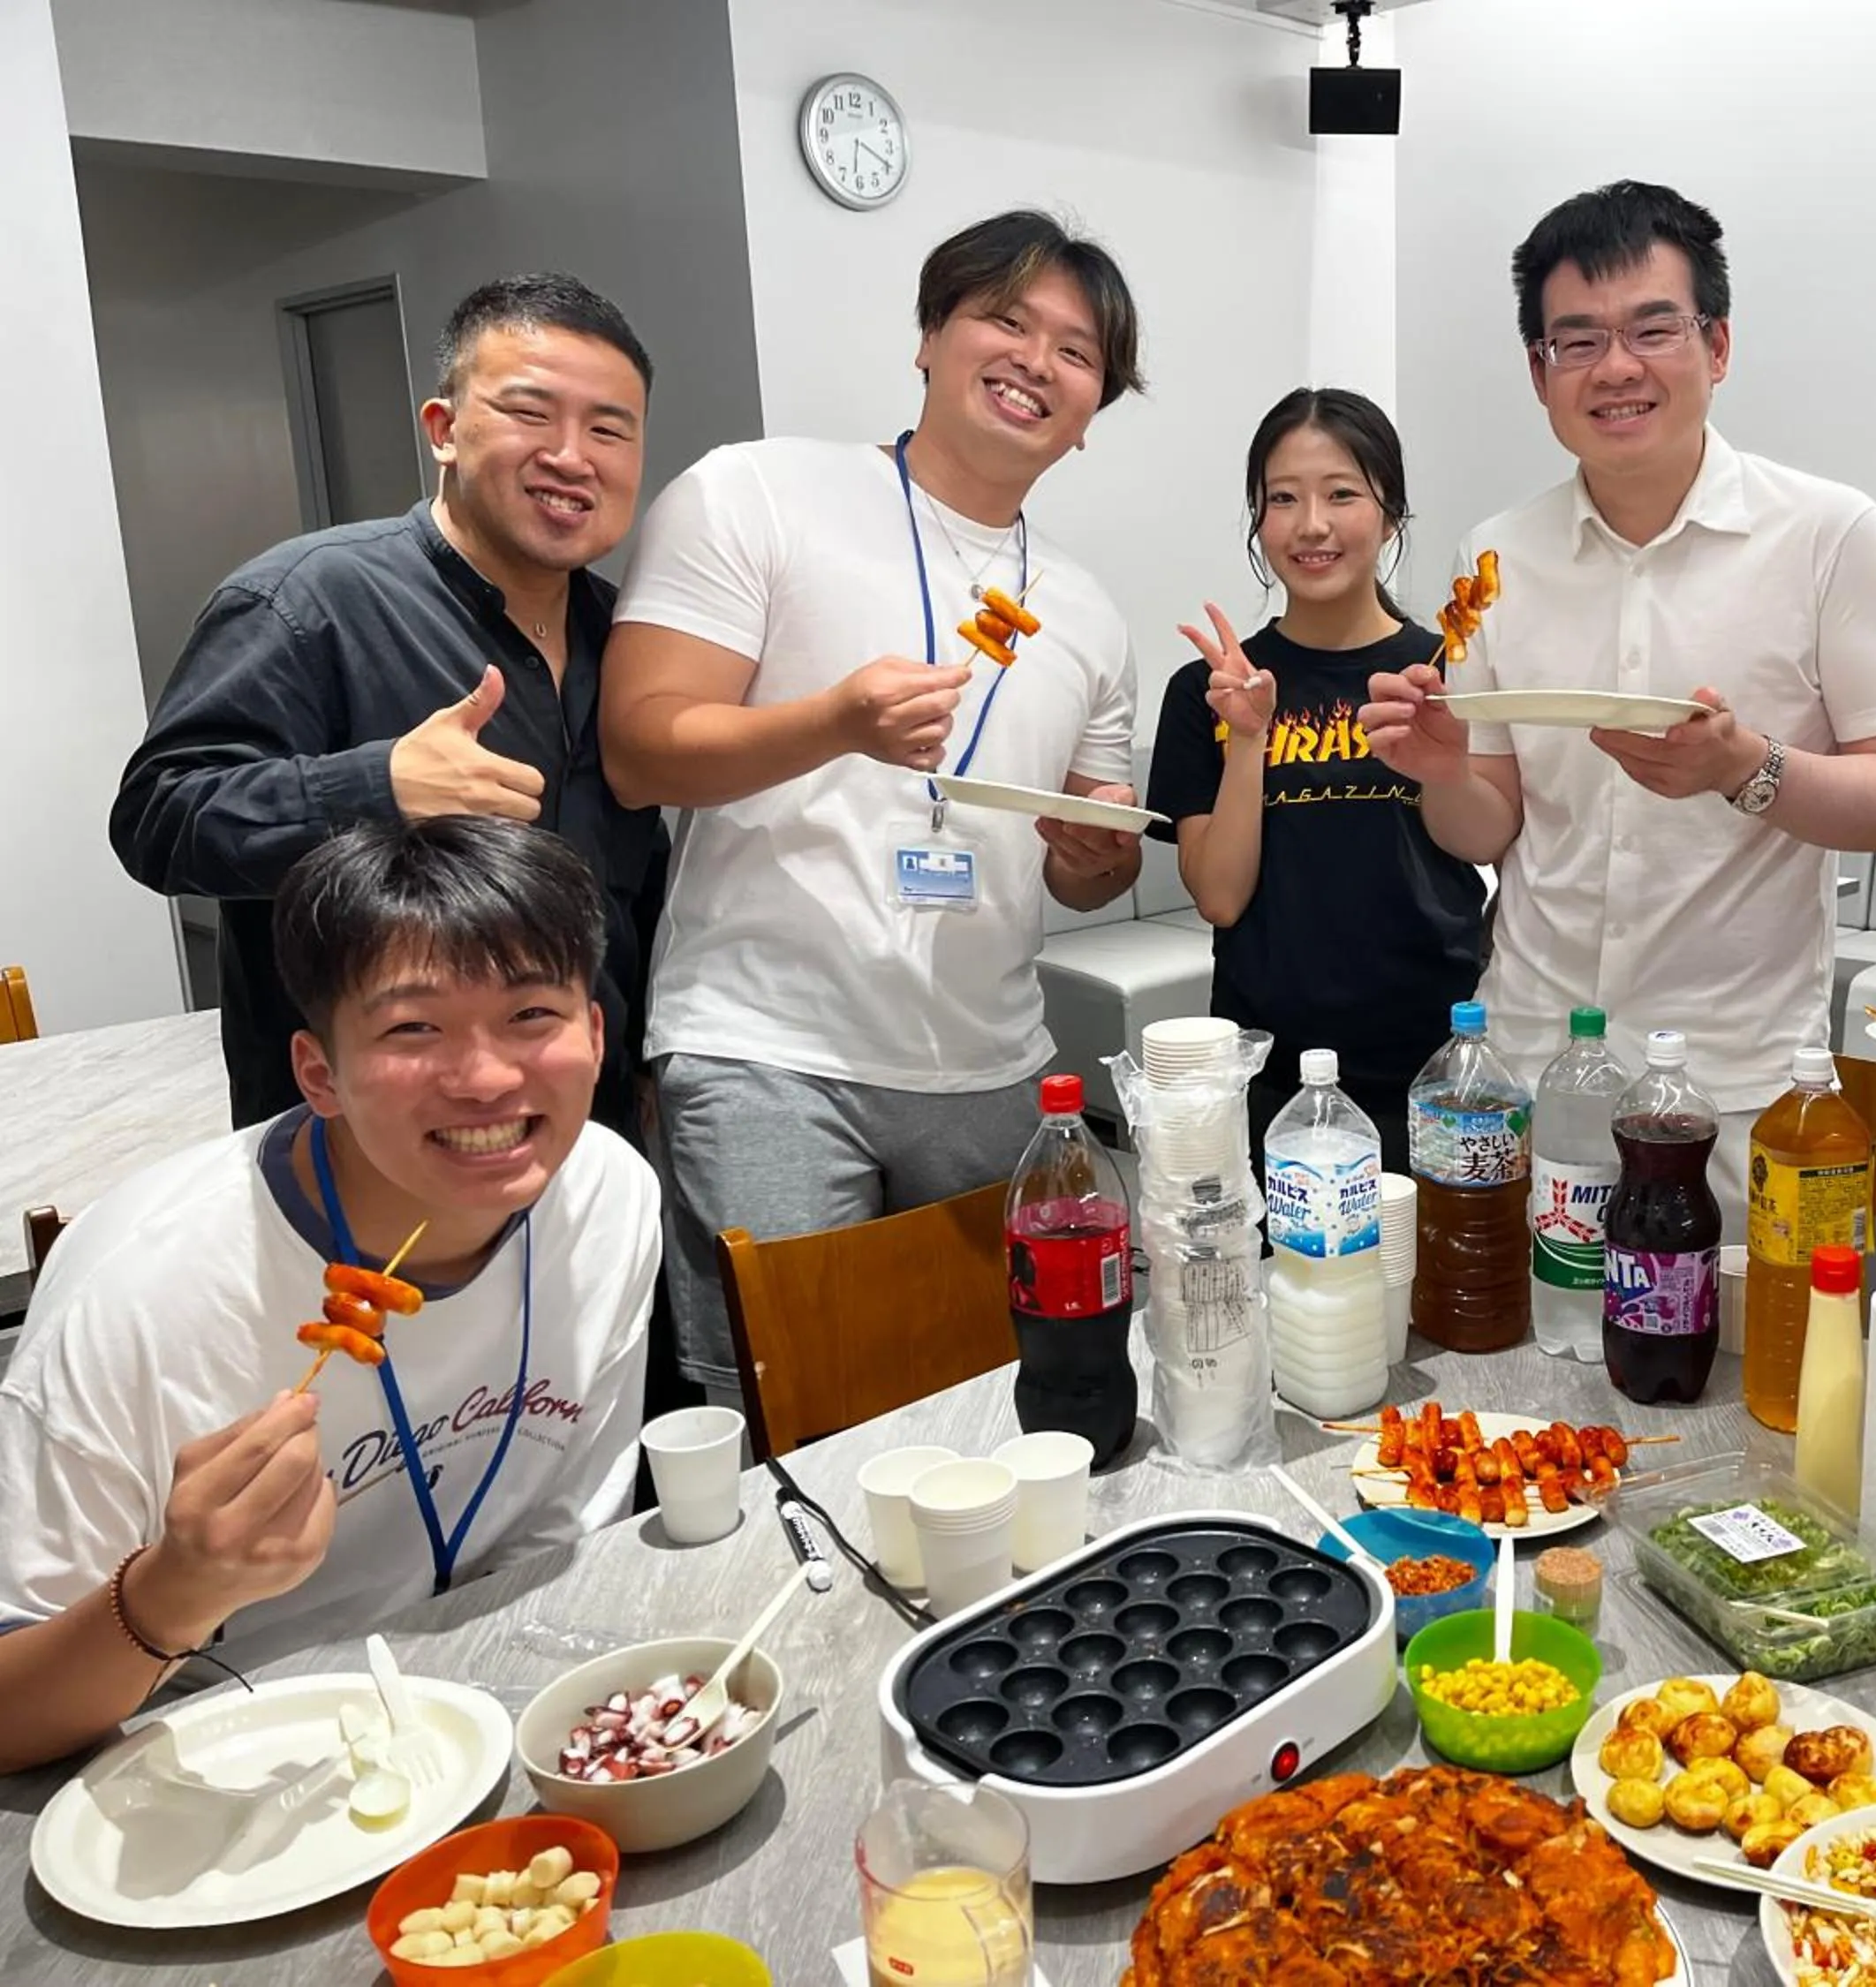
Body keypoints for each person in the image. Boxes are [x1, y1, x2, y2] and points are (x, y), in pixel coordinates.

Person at [601, 210, 1146, 1396]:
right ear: (930, 336)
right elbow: (641, 745)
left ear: (1095, 405)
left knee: (990, 1387)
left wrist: (1096, 858)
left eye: (1075, 349)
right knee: (791, 1395)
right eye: (1005, 319)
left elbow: (1075, 865)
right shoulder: (756, 493)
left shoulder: (1089, 609)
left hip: (995, 1063)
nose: (1035, 360)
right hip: (769, 1051)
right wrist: (836, 723)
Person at [0, 818, 659, 1772]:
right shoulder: (141, 1293)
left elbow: (562, 1541)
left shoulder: (607, 1194)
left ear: (595, 1035)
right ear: (319, 1073)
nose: (484, 1078)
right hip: (209, 1765)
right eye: (413, 1028)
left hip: (500, 1715)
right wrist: (173, 1593)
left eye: (530, 1016)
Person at [1361, 181, 1876, 1224]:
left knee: (1726, 1372)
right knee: (1521, 1356)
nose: (1617, 367)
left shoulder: (1829, 536)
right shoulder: (1493, 558)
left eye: (1653, 329)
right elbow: (1487, 826)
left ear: (1717, 347)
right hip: (1535, 1057)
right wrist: (1445, 769)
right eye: (1576, 341)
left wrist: (1746, 770)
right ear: (1539, 372)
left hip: (1735, 1076)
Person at [110, 274, 666, 1142]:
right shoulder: (307, 600)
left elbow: (636, 886)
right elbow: (158, 819)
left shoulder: (623, 632)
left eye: (608, 429)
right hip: (366, 1151)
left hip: (583, 1140)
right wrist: (379, 789)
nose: (571, 454)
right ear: (444, 431)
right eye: (530, 413)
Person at [1146, 388, 1486, 1162]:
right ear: (1258, 520)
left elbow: (1492, 839)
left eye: (1342, 494)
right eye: (1283, 499)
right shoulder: (1207, 689)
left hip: (1437, 1059)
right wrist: (1246, 737)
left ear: (1390, 513)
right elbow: (1221, 897)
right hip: (1272, 1072)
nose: (1312, 525)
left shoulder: (1447, 675)